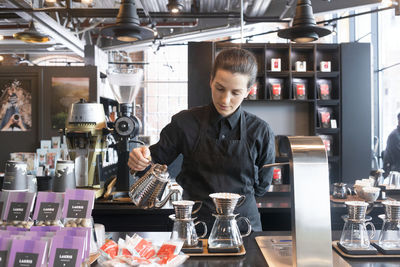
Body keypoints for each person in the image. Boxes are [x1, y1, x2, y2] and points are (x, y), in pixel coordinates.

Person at [128, 48, 275, 231]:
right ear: (211, 81)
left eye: (235, 92)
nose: (225, 99)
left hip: (244, 227)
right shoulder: (185, 122)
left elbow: (262, 186)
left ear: (248, 91)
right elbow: (154, 160)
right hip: (195, 226)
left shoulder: (260, 131)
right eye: (219, 88)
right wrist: (140, 159)